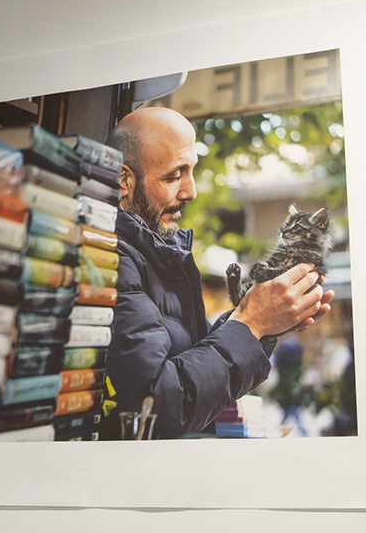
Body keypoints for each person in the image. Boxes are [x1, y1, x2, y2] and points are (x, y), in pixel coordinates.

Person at [104, 106, 333, 439]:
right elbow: (157, 408)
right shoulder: (111, 256)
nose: (191, 191)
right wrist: (250, 324)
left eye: (191, 171)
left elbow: (194, 368)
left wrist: (265, 320)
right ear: (124, 180)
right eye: (173, 175)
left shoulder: (160, 256)